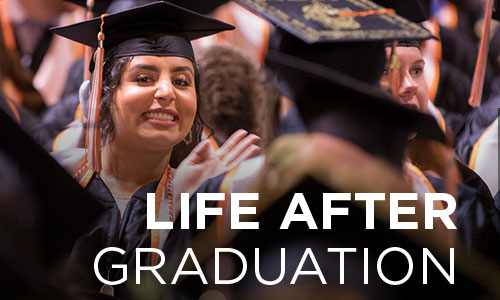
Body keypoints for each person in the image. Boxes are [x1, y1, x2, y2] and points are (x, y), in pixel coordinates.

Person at [50, 2, 260, 298]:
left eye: (182, 81)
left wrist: (186, 210)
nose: (166, 92)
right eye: (144, 78)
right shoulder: (56, 179)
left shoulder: (204, 203)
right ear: (102, 94)